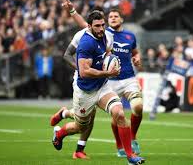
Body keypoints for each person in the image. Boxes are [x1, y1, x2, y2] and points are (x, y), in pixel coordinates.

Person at [51, 11, 145, 165]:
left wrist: (112, 60)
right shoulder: (86, 43)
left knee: (119, 114)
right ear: (89, 27)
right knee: (80, 127)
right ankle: (60, 134)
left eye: (103, 25)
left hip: (102, 86)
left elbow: (108, 53)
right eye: (97, 26)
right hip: (85, 91)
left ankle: (130, 156)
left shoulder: (108, 36)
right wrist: (107, 72)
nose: (101, 29)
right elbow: (84, 72)